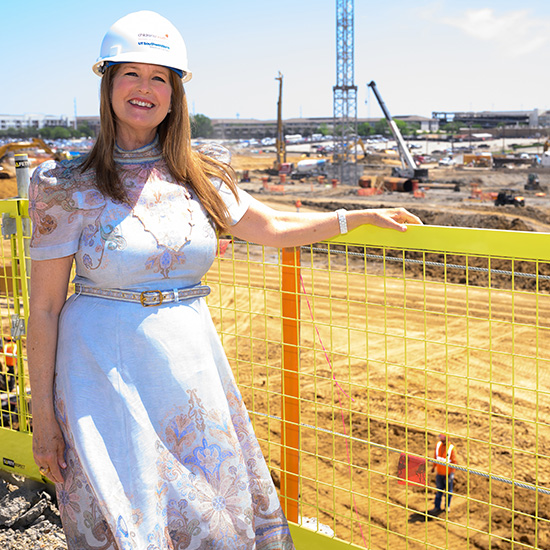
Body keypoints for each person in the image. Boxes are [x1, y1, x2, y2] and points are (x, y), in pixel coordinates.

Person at [27, 10, 422, 550]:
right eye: (131, 74)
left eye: (160, 77)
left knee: (206, 516)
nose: (145, 89)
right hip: (99, 376)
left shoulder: (199, 172)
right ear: (108, 83)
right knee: (122, 520)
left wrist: (357, 217)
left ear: (175, 94)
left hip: (188, 370)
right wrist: (43, 420)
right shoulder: (64, 183)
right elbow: (45, 310)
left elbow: (275, 227)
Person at [428, 434, 458, 516]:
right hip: (439, 474)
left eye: (442, 438)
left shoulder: (451, 448)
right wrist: (433, 467)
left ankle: (447, 507)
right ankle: (437, 507)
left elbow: (454, 462)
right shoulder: (438, 445)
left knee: (448, 492)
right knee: (439, 491)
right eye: (440, 437)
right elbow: (436, 457)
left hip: (447, 475)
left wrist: (452, 473)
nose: (441, 439)